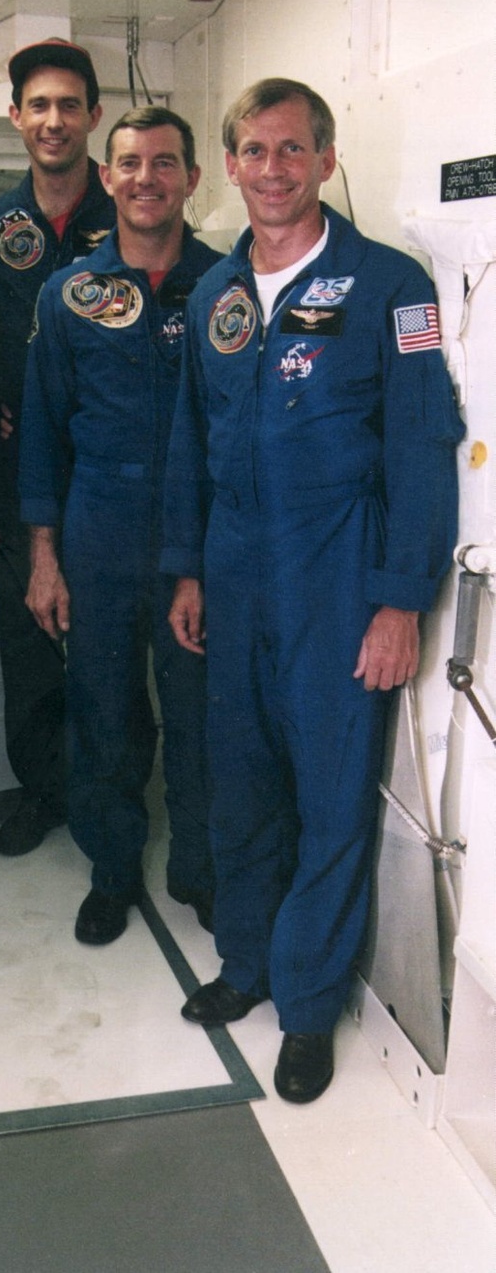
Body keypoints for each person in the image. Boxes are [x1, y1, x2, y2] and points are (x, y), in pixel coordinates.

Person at [164, 77, 462, 1103]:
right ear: (232, 166)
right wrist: (191, 572)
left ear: (326, 161)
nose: (274, 169)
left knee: (330, 806)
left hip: (336, 583)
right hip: (237, 581)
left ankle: (302, 1008)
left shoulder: (392, 285)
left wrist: (396, 601)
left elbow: (424, 448)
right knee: (240, 789)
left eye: (293, 149)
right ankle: (244, 965)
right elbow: (191, 443)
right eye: (253, 150)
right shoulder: (216, 296)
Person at [19, 106, 222, 945]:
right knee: (103, 707)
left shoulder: (228, 287)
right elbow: (41, 429)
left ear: (192, 179)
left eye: (164, 163)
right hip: (98, 526)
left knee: (201, 710)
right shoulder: (69, 294)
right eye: (130, 163)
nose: (146, 178)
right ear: (107, 178)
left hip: (201, 537)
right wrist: (44, 556)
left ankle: (201, 869)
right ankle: (111, 868)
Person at [0, 37, 115, 858]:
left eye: (70, 105)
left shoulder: (132, 214)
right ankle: (42, 793)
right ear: (16, 116)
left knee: (105, 653)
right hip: (13, 471)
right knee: (30, 648)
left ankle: (107, 805)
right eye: (40, 105)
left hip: (105, 477)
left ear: (94, 117)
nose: (54, 121)